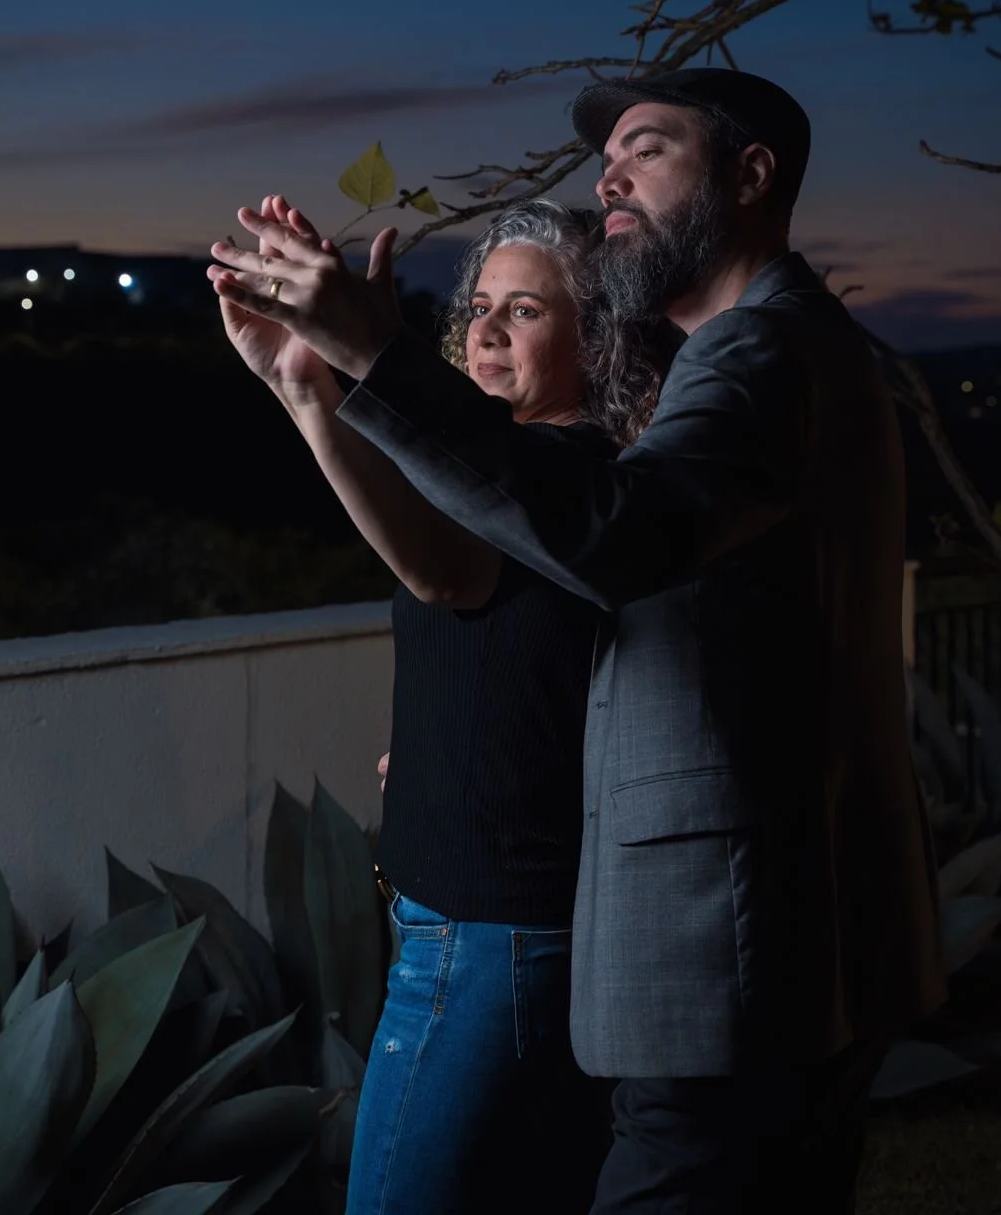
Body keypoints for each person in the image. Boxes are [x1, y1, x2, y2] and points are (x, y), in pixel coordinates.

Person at [209, 68, 947, 1213]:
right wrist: (321, 387)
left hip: (721, 956)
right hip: (770, 948)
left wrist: (377, 357)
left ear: (750, 175)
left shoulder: (759, 354)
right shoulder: (777, 354)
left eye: (646, 148)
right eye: (606, 159)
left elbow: (612, 536)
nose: (609, 175)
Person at [211, 194, 668, 1215]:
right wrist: (303, 383)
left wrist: (327, 383)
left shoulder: (567, 468)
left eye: (528, 310)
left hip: (486, 941)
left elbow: (441, 573)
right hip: (491, 931)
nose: (489, 328)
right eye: (479, 307)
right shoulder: (520, 482)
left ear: (597, 340)